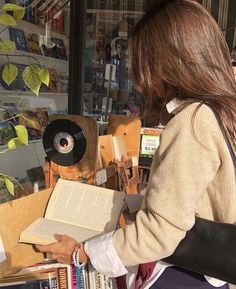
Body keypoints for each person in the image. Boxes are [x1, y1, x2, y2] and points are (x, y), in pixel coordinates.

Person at [36, 1, 236, 288]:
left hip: (186, 275)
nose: (138, 75)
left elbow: (162, 231)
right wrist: (135, 203)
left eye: (143, 62)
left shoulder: (193, 121)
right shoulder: (221, 111)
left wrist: (81, 253)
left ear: (168, 62)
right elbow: (198, 199)